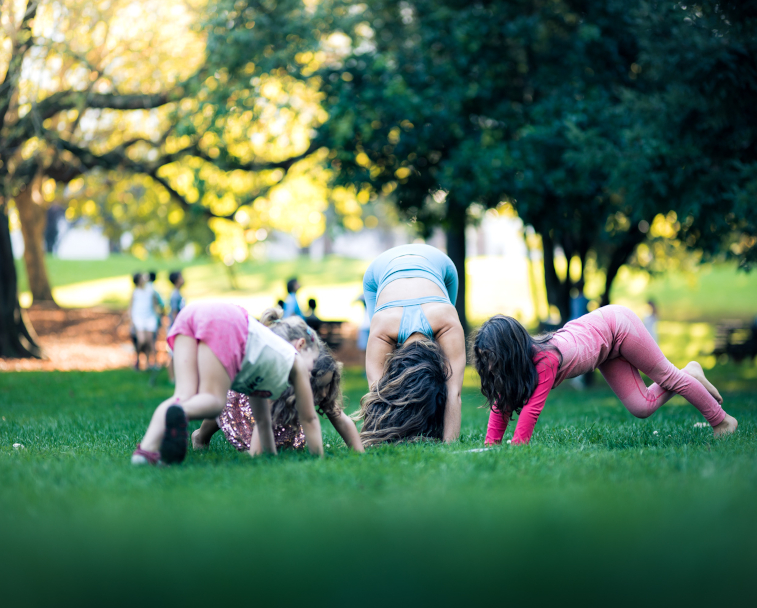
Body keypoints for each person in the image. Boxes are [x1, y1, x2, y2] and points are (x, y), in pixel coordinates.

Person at [470, 305, 738, 446]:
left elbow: (531, 411)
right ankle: (689, 374)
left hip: (618, 326)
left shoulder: (545, 360)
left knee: (667, 376)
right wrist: (491, 444)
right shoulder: (518, 367)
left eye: (492, 359)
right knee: (641, 407)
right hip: (605, 349)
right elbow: (501, 403)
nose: (489, 367)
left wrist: (518, 445)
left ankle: (722, 421)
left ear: (510, 352)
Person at [131, 304, 323, 465]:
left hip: (191, 314)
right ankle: (180, 414)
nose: (311, 372)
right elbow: (310, 419)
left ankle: (145, 453)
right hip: (226, 320)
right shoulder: (294, 360)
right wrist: (318, 460)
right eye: (313, 363)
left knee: (182, 398)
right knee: (214, 401)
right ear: (301, 345)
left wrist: (270, 458)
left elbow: (263, 422)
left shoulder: (265, 367)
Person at [356, 244, 466, 445]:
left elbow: (453, 392)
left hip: (439, 264)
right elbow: (378, 395)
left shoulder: (446, 319)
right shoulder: (382, 326)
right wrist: (378, 438)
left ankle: (424, 420)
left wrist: (449, 445)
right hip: (379, 271)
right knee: (387, 390)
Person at [191, 346, 364, 454]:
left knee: (282, 449)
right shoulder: (277, 391)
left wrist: (358, 453)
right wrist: (255, 453)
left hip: (278, 420)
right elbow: (261, 423)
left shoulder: (323, 395)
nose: (325, 394)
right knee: (226, 407)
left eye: (329, 386)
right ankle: (201, 436)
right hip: (251, 407)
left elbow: (342, 420)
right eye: (320, 388)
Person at [126, 272, 161, 371]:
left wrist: (157, 317)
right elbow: (130, 307)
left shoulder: (150, 290)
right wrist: (131, 320)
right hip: (139, 318)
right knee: (141, 340)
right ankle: (137, 359)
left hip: (150, 318)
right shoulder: (135, 292)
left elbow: (155, 304)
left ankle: (151, 362)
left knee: (151, 341)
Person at [167, 270, 186, 383]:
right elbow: (174, 313)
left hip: (178, 327)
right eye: (181, 276)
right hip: (175, 328)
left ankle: (177, 376)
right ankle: (172, 377)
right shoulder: (175, 295)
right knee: (172, 353)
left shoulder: (178, 293)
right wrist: (177, 328)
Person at [147, 271, 165, 370]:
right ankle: (154, 362)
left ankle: (146, 362)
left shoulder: (145, 288)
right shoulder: (155, 289)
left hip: (143, 320)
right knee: (153, 341)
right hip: (153, 318)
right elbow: (162, 303)